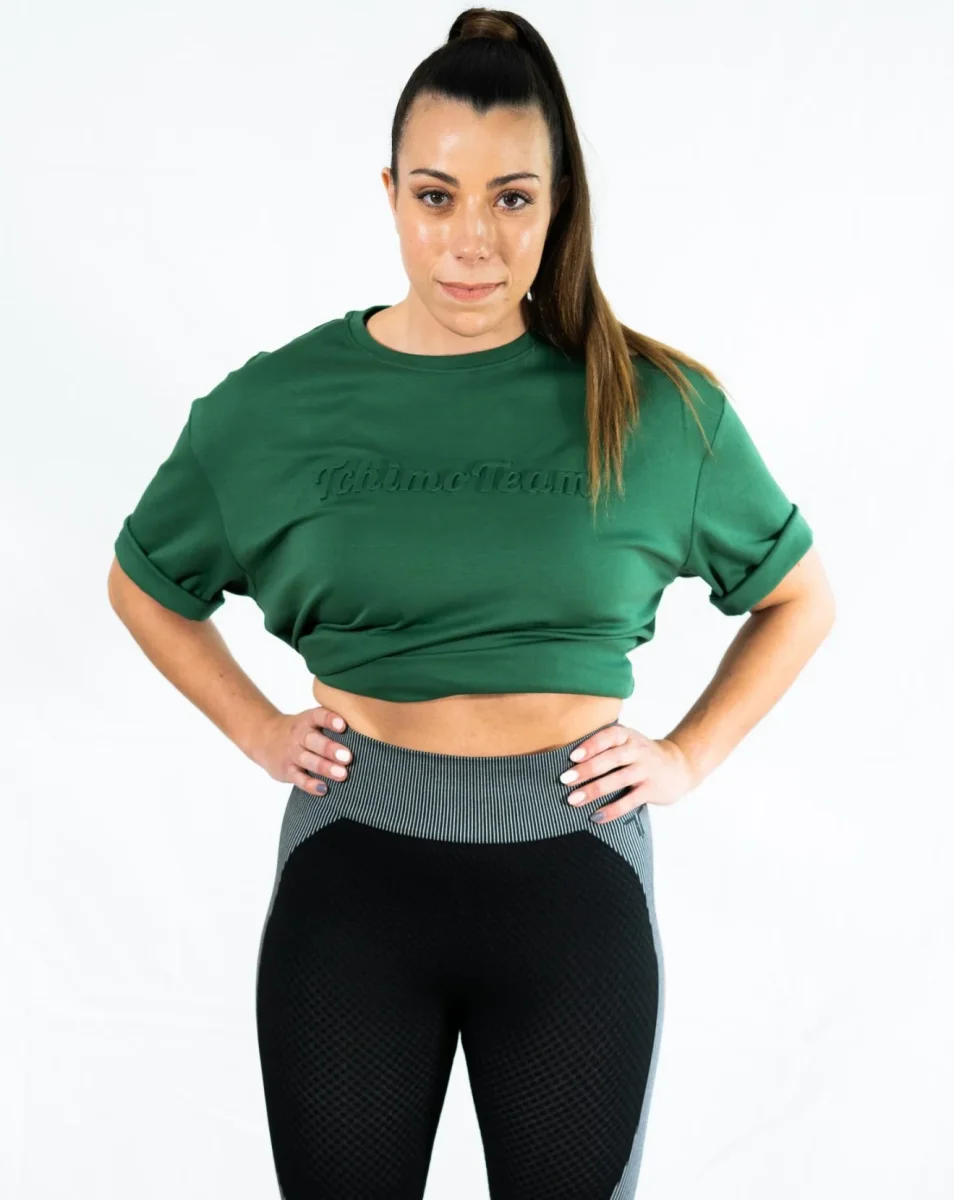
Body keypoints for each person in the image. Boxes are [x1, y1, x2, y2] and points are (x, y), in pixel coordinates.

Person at [107, 7, 835, 1198]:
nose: (473, 242)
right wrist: (255, 728)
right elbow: (144, 584)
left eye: (513, 199)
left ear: (559, 204)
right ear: (391, 194)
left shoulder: (653, 407)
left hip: (576, 883)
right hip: (353, 878)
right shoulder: (275, 408)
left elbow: (799, 598)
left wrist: (689, 756)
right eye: (437, 197)